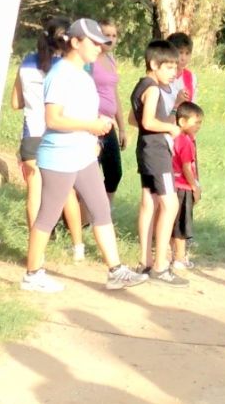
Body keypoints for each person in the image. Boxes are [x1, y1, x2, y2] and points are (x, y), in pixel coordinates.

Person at [20, 18, 148, 292]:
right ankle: (32, 274)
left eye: (101, 42)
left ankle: (115, 270)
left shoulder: (83, 73)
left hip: (82, 154)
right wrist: (91, 126)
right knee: (48, 216)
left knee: (101, 209)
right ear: (75, 42)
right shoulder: (60, 74)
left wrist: (95, 131)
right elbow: (53, 119)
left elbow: (81, 113)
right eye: (94, 42)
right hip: (59, 156)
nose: (99, 48)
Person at [10, 17, 86, 262]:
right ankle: (78, 247)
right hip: (57, 136)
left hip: (31, 135)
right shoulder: (65, 67)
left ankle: (37, 253)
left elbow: (15, 102)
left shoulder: (26, 63)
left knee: (34, 194)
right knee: (65, 193)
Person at [130, 40, 188, 287]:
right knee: (170, 203)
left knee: (148, 204)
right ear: (154, 64)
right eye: (169, 67)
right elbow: (148, 122)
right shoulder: (153, 88)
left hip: (145, 150)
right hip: (157, 152)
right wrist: (171, 128)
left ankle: (145, 260)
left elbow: (134, 118)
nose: (173, 72)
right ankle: (161, 265)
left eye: (175, 67)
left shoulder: (141, 86)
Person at [90, 19, 127, 203]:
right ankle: (81, 218)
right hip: (92, 123)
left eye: (114, 35)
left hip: (109, 123)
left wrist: (122, 128)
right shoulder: (89, 60)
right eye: (106, 35)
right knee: (90, 174)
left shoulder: (111, 59)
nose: (111, 39)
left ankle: (103, 212)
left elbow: (114, 94)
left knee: (114, 173)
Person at [170, 102, 204, 270]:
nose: (198, 126)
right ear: (182, 122)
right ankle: (180, 258)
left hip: (172, 186)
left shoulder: (174, 138)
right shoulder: (186, 142)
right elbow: (187, 167)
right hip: (183, 187)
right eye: (195, 122)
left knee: (172, 222)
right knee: (182, 225)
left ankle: (170, 254)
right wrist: (194, 186)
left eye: (200, 123)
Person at [162, 32, 197, 115]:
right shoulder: (160, 77)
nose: (183, 58)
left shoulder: (191, 78)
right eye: (180, 52)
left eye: (187, 53)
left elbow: (193, 106)